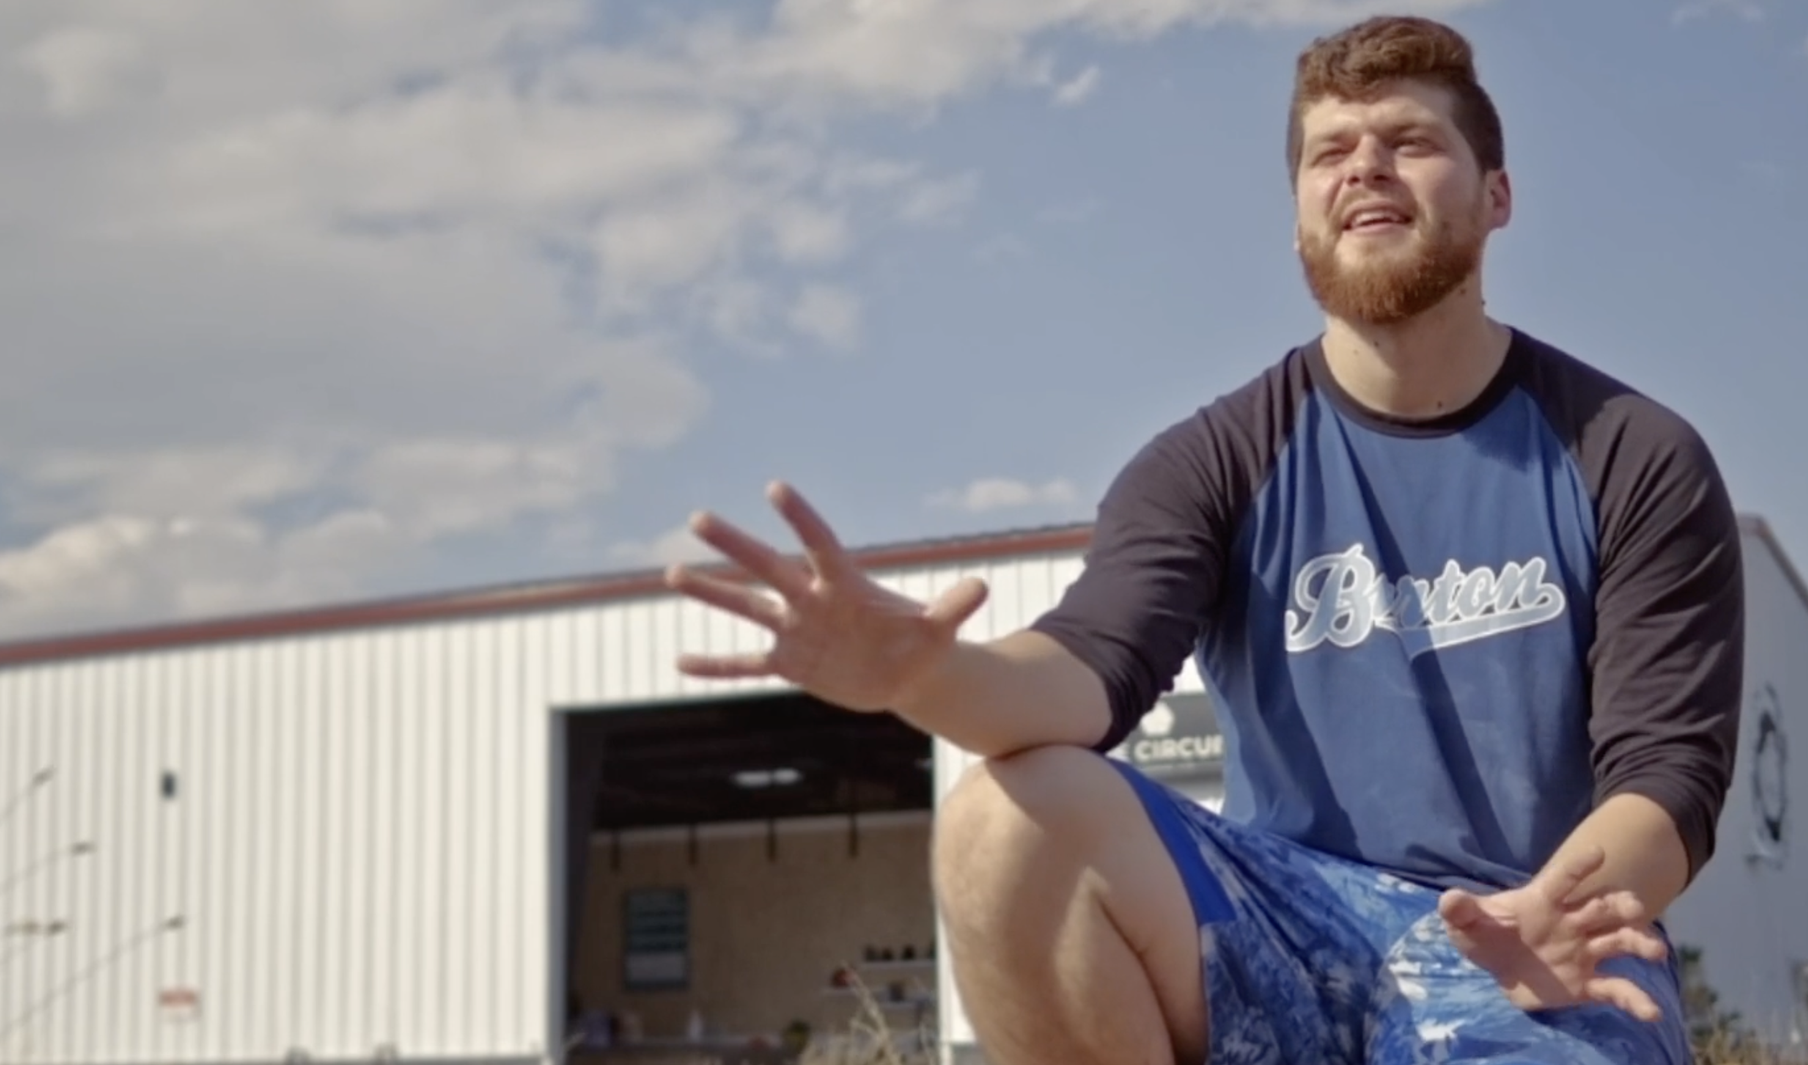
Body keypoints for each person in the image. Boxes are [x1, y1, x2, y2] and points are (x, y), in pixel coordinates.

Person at [662, 13, 1743, 1065]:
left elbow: (1667, 771)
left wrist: (1557, 910)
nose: (1364, 167)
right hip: (1293, 922)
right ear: (1298, 217)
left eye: (1410, 141)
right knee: (1001, 823)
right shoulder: (1218, 457)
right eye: (1330, 153)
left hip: (1539, 931)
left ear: (1497, 195)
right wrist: (927, 676)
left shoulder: (1627, 451)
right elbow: (1086, 671)